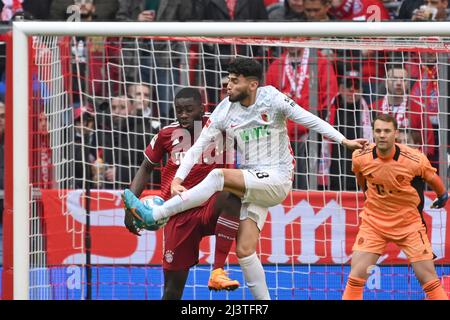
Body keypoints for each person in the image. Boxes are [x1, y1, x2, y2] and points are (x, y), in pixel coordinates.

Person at [123, 57, 367, 300]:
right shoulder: (224, 110)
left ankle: (155, 214)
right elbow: (197, 147)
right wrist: (178, 179)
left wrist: (344, 141)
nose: (228, 86)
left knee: (219, 177)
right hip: (253, 181)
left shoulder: (271, 98)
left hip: (278, 177)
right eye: (228, 80)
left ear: (252, 85)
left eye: (234, 81)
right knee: (245, 250)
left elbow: (310, 120)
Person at [123, 88, 241, 299]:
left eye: (189, 109)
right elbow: (145, 168)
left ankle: (218, 270)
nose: (183, 115)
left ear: (202, 108)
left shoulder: (220, 125)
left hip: (209, 205)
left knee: (232, 196)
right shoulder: (166, 134)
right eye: (179, 110)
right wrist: (130, 209)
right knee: (172, 289)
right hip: (178, 213)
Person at [343, 113, 449, 300]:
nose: (382, 135)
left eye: (387, 131)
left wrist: (443, 195)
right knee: (356, 277)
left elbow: (433, 179)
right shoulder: (360, 157)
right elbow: (362, 181)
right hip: (374, 224)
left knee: (429, 280)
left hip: (409, 225)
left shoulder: (415, 159)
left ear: (396, 134)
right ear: (373, 133)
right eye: (378, 131)